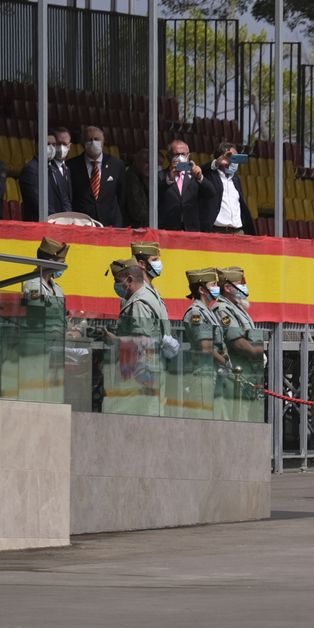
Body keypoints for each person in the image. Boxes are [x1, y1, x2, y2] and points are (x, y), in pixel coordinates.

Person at [97, 258, 170, 415]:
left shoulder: (138, 303)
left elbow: (140, 343)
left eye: (118, 281)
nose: (116, 286)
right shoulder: (150, 296)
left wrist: (113, 340)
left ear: (129, 280)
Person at [19, 237, 70, 403]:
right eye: (60, 262)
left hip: (55, 347)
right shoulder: (34, 285)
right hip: (38, 348)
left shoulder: (57, 288)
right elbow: (37, 318)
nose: (63, 266)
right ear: (49, 261)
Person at [214, 265, 266, 422]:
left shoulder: (238, 307)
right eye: (240, 283)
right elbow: (237, 342)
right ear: (228, 287)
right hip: (235, 378)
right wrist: (259, 352)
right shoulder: (223, 309)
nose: (244, 286)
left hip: (247, 375)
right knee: (237, 420)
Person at [176, 267, 222, 419]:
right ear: (202, 290)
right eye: (213, 284)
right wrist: (226, 362)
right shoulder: (196, 313)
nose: (217, 288)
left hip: (211, 374)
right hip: (202, 376)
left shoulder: (207, 311)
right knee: (203, 420)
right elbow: (205, 347)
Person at [69, 126, 126, 227]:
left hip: (110, 224)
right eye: (89, 140)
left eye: (96, 139)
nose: (93, 143)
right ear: (83, 143)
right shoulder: (71, 166)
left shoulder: (116, 164)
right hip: (83, 224)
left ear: (103, 141)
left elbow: (122, 196)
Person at [198, 142, 256, 235]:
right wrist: (216, 163)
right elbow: (200, 171)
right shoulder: (210, 176)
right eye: (232, 157)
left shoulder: (236, 179)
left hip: (238, 232)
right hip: (217, 231)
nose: (235, 162)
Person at [19, 128, 75, 223]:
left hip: (59, 225)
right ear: (37, 145)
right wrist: (57, 220)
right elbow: (37, 202)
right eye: (47, 144)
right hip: (39, 224)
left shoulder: (54, 168)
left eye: (53, 144)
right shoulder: (31, 170)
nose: (51, 148)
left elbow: (65, 198)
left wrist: (68, 219)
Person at [157, 140, 205, 231]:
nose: (180, 157)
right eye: (176, 154)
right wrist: (169, 179)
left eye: (183, 154)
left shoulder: (195, 175)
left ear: (188, 156)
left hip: (190, 229)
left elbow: (211, 193)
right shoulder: (160, 176)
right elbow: (155, 197)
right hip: (168, 229)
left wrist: (200, 177)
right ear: (169, 157)